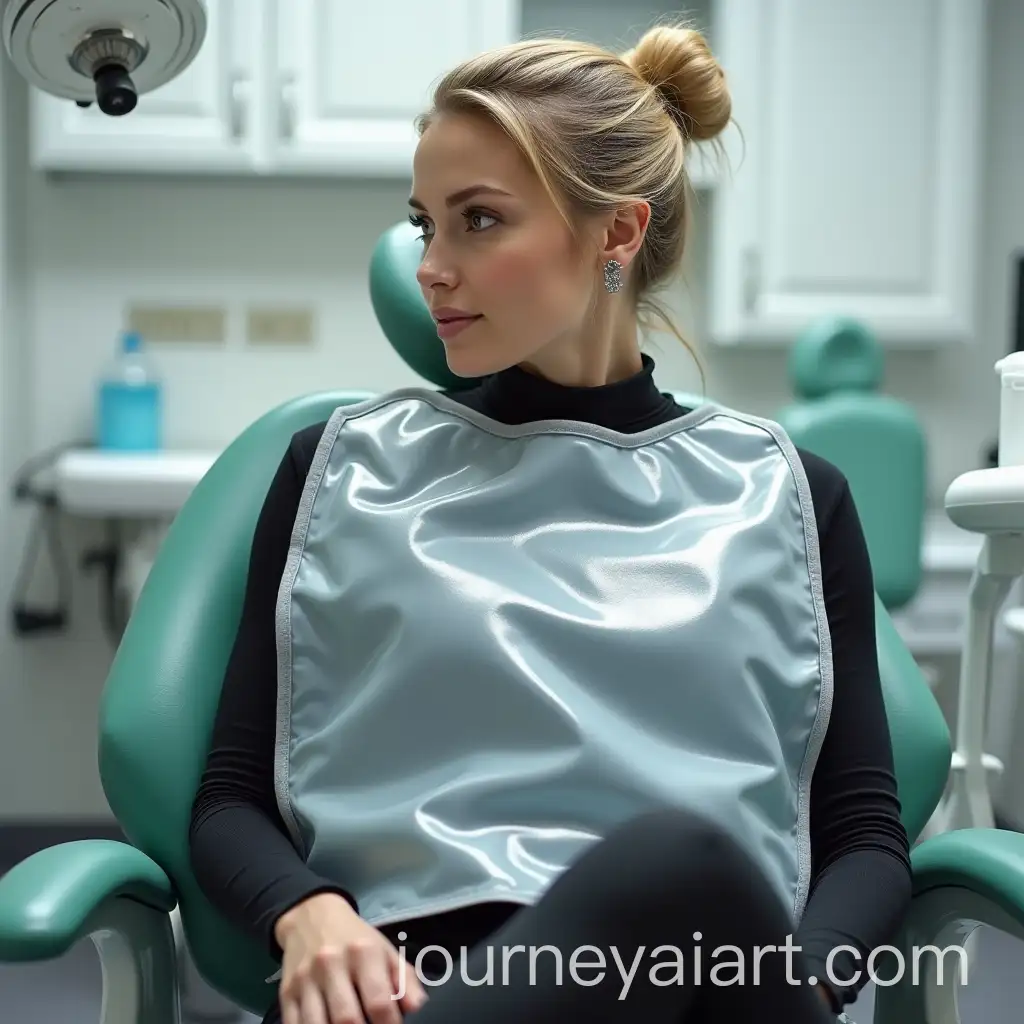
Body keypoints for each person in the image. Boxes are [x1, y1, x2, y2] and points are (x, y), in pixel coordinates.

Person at [189, 22, 911, 1024]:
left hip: (700, 993)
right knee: (679, 863)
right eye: (423, 224)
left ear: (616, 232)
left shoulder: (785, 492)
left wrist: (793, 992)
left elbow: (864, 833)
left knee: (680, 867)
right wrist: (306, 910)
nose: (432, 266)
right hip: (405, 996)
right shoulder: (343, 469)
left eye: (477, 221)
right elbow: (228, 796)